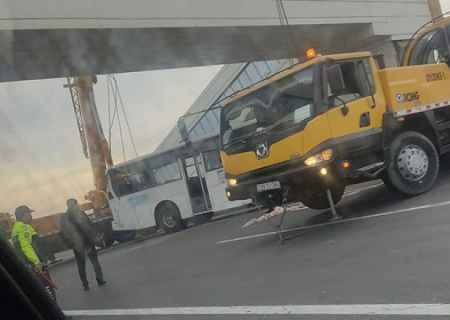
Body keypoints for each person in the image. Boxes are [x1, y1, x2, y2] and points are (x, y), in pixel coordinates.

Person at [10, 205, 57, 301]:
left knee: (42, 288)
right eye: (29, 213)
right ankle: (54, 311)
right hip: (35, 263)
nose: (30, 216)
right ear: (24, 215)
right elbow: (26, 246)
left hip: (28, 262)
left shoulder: (16, 227)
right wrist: (36, 262)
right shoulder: (23, 227)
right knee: (47, 288)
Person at [59, 199, 106, 291]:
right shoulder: (80, 214)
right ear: (75, 204)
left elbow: (63, 233)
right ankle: (100, 279)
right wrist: (94, 236)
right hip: (87, 241)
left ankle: (85, 285)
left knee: (81, 264)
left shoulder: (64, 217)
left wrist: (69, 244)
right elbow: (89, 225)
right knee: (94, 261)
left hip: (76, 244)